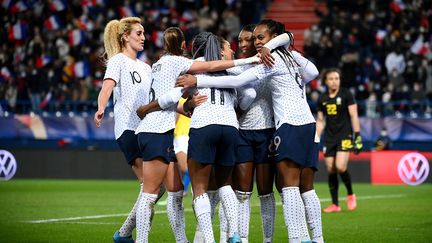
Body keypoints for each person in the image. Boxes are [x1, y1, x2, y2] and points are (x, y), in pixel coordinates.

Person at [176, 19, 324, 243]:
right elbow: (310, 70)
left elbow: (243, 86)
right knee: (241, 191)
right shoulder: (240, 63)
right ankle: (240, 237)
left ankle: (275, 239)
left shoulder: (267, 61)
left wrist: (198, 80)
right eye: (244, 39)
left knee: (274, 190)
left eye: (256, 38)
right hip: (247, 132)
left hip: (272, 131)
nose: (250, 43)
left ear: (271, 39)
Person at [133, 27, 257, 243]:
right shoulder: (230, 69)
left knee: (199, 188)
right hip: (230, 127)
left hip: (203, 126)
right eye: (228, 48)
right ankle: (235, 234)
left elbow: (172, 97)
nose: (232, 52)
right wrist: (236, 108)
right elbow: (249, 93)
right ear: (218, 49)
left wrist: (147, 108)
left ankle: (208, 240)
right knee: (226, 184)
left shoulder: (190, 69)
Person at [93, 17, 161, 243]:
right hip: (128, 129)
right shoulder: (118, 61)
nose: (144, 37)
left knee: (155, 189)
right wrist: (101, 106)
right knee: (149, 188)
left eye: (144, 33)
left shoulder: (146, 66)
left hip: (147, 128)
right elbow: (107, 87)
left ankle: (124, 234)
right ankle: (130, 235)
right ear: (125, 37)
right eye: (139, 33)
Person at [316, 68, 363, 213]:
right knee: (331, 169)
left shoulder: (346, 94)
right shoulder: (322, 98)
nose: (334, 81)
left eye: (336, 78)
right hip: (329, 138)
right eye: (331, 79)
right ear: (325, 81)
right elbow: (320, 120)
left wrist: (358, 136)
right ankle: (335, 204)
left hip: (345, 135)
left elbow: (354, 115)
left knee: (340, 167)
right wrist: (316, 138)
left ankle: (350, 194)